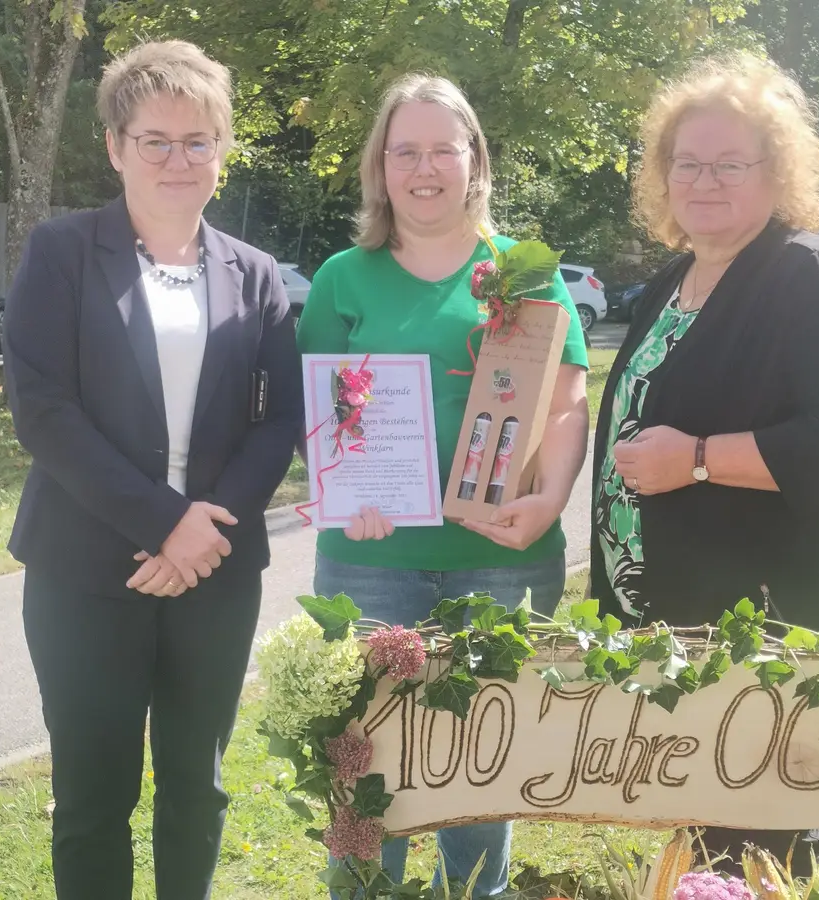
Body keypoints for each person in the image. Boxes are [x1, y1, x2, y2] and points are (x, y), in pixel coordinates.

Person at [0, 40, 303, 900]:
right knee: (93, 798)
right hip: (85, 570)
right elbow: (43, 410)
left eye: (198, 140)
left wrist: (201, 533)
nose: (179, 160)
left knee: (197, 789)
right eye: (155, 140)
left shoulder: (255, 274)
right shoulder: (61, 252)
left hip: (216, 569)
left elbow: (276, 419)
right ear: (115, 146)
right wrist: (164, 523)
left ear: (223, 148)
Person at [589, 53, 819, 878]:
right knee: (706, 838)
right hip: (678, 621)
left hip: (769, 623)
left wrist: (696, 460)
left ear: (778, 171)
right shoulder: (673, 281)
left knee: (765, 842)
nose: (705, 181)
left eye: (731, 164)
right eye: (687, 163)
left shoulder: (816, 275)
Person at [295, 74, 590, 897]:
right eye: (405, 152)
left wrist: (550, 499)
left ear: (474, 161)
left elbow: (567, 404)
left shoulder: (525, 273)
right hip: (370, 563)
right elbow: (318, 410)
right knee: (363, 770)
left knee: (480, 770)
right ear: (380, 167)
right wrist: (344, 489)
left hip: (501, 555)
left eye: (442, 150)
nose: (424, 169)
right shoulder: (342, 278)